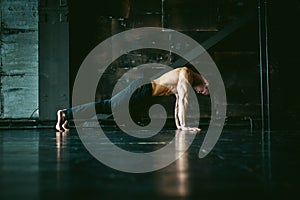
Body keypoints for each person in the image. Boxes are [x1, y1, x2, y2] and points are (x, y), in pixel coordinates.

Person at [56, 67, 209, 132]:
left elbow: (177, 103)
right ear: (206, 82)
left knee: (108, 107)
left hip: (143, 93)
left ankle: (67, 115)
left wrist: (179, 125)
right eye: (204, 91)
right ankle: (65, 113)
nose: (201, 93)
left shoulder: (183, 79)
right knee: (107, 106)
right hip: (142, 89)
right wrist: (184, 126)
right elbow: (183, 99)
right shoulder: (185, 73)